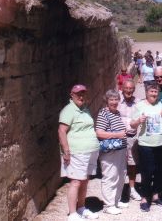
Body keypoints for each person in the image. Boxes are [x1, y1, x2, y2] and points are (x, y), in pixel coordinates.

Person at [58, 84, 99, 221]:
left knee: (84, 181)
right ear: (72, 95)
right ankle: (72, 214)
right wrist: (66, 151)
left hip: (88, 151)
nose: (81, 96)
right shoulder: (69, 110)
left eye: (83, 93)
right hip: (76, 152)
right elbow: (61, 131)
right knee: (75, 181)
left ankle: (81, 208)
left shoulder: (85, 109)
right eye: (78, 94)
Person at [130, 82, 162, 212]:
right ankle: (145, 198)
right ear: (146, 92)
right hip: (146, 144)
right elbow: (132, 125)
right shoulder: (140, 105)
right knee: (147, 172)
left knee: (160, 171)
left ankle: (155, 196)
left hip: (161, 143)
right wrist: (138, 121)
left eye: (156, 91)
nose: (154, 94)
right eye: (151, 91)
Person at [95, 90, 128, 215]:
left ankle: (116, 201)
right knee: (110, 176)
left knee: (120, 175)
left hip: (120, 150)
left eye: (116, 99)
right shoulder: (104, 113)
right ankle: (108, 205)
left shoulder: (117, 113)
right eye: (111, 100)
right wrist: (117, 135)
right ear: (106, 101)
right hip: (110, 152)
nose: (114, 102)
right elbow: (99, 133)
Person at [117, 80, 141, 201]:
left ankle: (132, 189)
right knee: (119, 165)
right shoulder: (116, 101)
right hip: (119, 138)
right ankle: (119, 191)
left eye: (131, 88)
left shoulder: (137, 102)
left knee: (132, 165)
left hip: (132, 137)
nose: (129, 91)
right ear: (122, 88)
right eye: (127, 88)